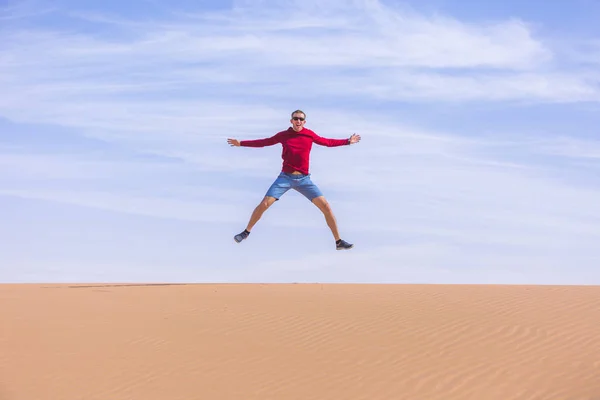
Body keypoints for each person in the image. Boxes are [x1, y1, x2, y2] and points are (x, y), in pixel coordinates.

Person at [227, 109, 361, 250]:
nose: (298, 121)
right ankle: (246, 232)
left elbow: (327, 142)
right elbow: (264, 142)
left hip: (304, 180)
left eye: (301, 119)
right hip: (285, 178)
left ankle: (338, 242)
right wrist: (241, 143)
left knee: (326, 207)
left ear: (304, 122)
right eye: (296, 118)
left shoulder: (309, 135)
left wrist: (347, 141)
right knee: (265, 204)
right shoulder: (284, 135)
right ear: (291, 121)